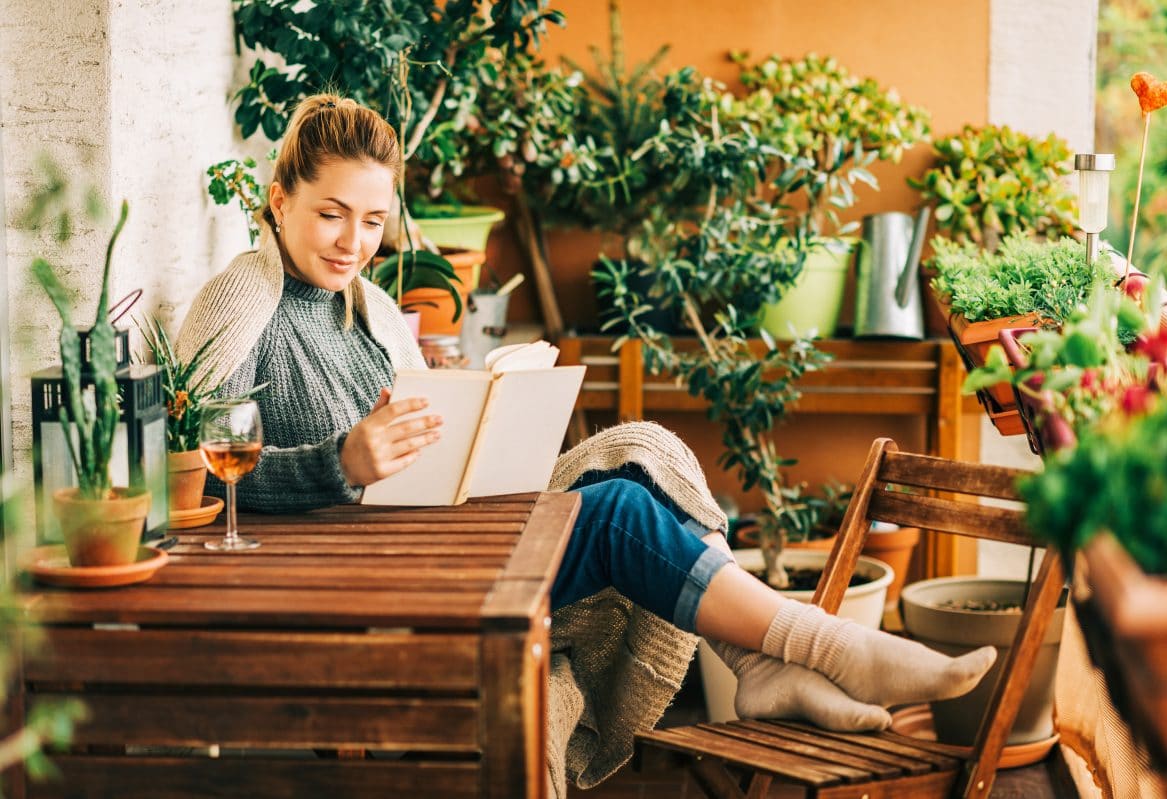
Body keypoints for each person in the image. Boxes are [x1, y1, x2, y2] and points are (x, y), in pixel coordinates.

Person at [177, 94, 995, 790]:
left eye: (373, 222)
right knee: (612, 516)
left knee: (636, 458)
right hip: (367, 583)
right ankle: (818, 647)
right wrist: (340, 463)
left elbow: (416, 449)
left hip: (427, 541)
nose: (353, 242)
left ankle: (761, 666)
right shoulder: (239, 301)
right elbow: (192, 485)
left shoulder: (371, 311)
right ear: (277, 200)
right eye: (330, 214)